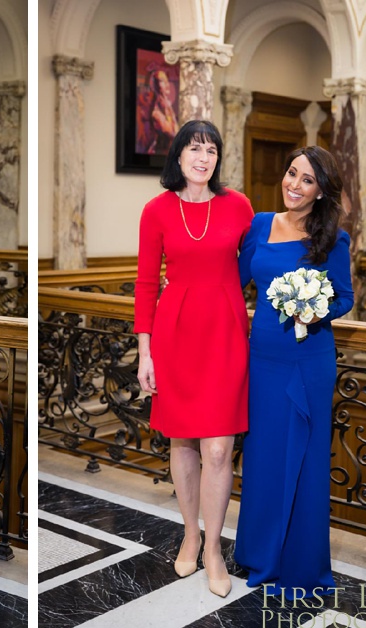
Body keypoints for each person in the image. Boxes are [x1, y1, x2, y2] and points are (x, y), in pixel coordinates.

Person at [135, 119, 253, 598]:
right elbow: (145, 283)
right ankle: (189, 533)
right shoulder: (157, 210)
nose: (203, 158)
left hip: (225, 330)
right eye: (194, 148)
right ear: (178, 156)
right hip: (175, 332)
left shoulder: (239, 206)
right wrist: (145, 351)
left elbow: (259, 258)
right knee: (183, 439)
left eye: (211, 150)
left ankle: (214, 549)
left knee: (219, 448)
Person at [234, 146, 354, 598]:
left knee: (304, 460)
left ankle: (300, 563)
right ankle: (259, 554)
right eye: (291, 174)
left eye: (306, 180)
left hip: (309, 359)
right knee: (263, 457)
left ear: (321, 191)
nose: (294, 185)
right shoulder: (261, 224)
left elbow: (344, 297)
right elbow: (236, 279)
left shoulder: (332, 238)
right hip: (262, 359)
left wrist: (313, 307)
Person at [136, 66, 179, 155]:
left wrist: (168, 107)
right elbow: (174, 133)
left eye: (167, 80)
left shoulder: (167, 108)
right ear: (155, 86)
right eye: (162, 81)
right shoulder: (155, 113)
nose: (167, 84)